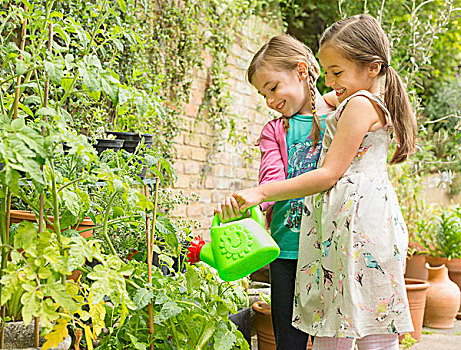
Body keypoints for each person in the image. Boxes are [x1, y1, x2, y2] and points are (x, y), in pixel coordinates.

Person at [225, 14, 417, 349]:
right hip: (344, 226)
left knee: (363, 325)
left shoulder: (358, 104)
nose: (329, 83)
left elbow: (329, 173)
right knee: (342, 320)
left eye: (337, 72)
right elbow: (317, 102)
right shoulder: (351, 101)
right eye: (326, 72)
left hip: (357, 228)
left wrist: (260, 193)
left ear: (372, 67)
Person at [215, 34, 333, 349]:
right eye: (262, 94)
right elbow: (270, 179)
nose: (269, 100)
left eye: (273, 87)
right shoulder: (275, 130)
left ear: (302, 71)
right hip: (288, 249)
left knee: (333, 338)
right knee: (288, 340)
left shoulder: (340, 118)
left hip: (332, 247)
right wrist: (248, 200)